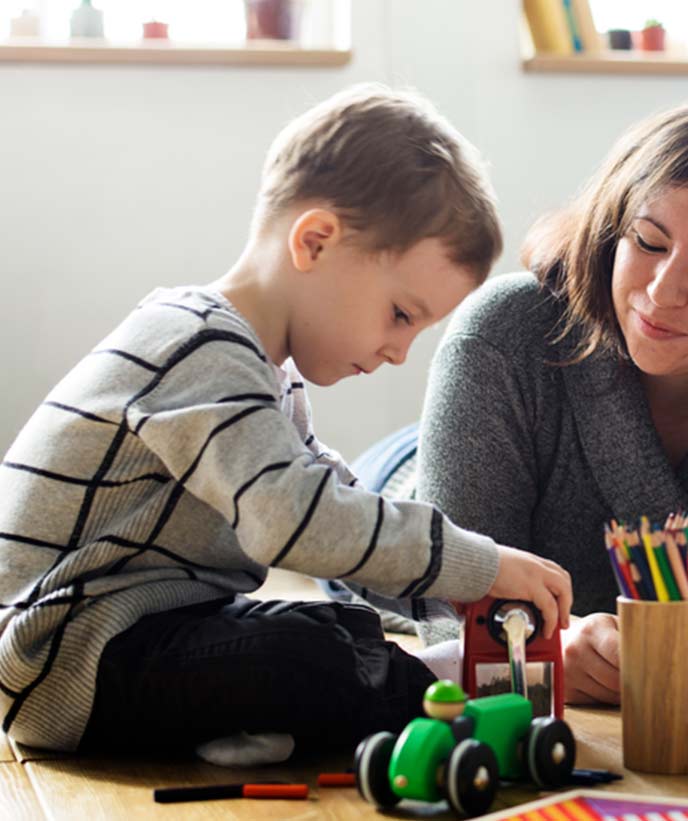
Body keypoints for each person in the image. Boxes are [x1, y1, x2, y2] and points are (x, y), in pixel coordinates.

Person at [0, 84, 572, 756]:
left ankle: (387, 695)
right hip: (66, 658)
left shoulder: (267, 372)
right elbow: (296, 519)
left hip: (155, 628)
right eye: (400, 315)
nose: (398, 351)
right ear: (317, 240)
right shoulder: (198, 346)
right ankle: (435, 703)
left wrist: (459, 601)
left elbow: (343, 514)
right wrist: (477, 564)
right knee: (307, 654)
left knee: (340, 626)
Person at [373, 92, 688, 705]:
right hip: (398, 489)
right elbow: (456, 614)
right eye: (648, 241)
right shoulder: (502, 331)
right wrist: (547, 654)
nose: (663, 292)